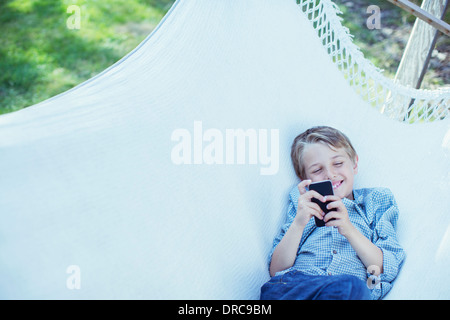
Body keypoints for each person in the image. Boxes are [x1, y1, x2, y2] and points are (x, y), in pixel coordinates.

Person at [260, 126, 405, 300]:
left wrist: (348, 228)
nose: (330, 174)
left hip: (347, 290)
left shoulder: (374, 201)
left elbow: (384, 267)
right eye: (317, 170)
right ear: (304, 179)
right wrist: (299, 223)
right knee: (275, 289)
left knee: (352, 287)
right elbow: (276, 270)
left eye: (338, 163)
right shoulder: (302, 204)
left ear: (355, 164)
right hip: (297, 286)